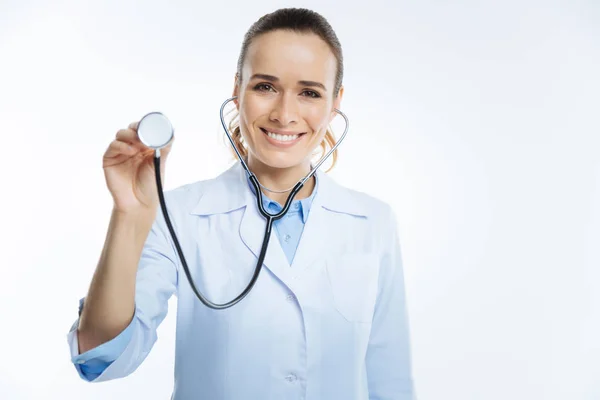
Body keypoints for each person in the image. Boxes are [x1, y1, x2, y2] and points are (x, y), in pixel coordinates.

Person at [66, 7, 415, 400]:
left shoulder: (372, 221)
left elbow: (390, 380)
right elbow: (103, 355)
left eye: (309, 92)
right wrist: (129, 215)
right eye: (265, 87)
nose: (285, 114)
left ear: (335, 102)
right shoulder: (179, 215)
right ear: (237, 89)